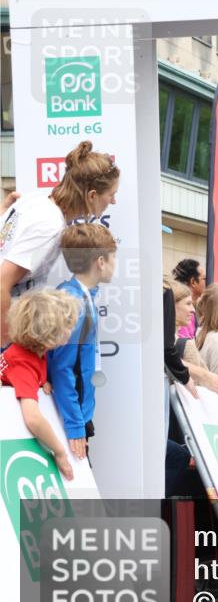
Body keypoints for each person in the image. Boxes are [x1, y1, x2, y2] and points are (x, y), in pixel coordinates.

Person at [1, 141, 118, 347]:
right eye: (111, 195)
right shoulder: (49, 223)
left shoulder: (35, 200)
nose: (113, 202)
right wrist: (6, 340)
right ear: (92, 195)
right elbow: (1, 282)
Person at [47, 224, 116, 462]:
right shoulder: (75, 302)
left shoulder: (78, 296)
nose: (115, 263)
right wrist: (76, 425)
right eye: (113, 256)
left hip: (76, 413)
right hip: (71, 419)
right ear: (100, 261)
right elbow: (61, 367)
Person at [1, 289, 79, 479]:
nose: (72, 329)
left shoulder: (28, 352)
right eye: (66, 326)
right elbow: (33, 419)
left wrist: (41, 382)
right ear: (47, 332)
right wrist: (59, 452)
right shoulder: (24, 364)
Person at [173, 259, 205, 340]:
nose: (208, 282)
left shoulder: (190, 308)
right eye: (204, 278)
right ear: (193, 282)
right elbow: (186, 347)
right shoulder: (182, 311)